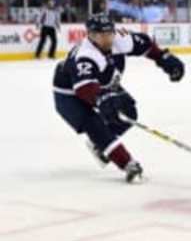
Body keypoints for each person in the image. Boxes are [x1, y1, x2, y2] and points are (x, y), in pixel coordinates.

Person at [53, 13, 184, 183]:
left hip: (101, 82)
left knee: (128, 111)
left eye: (110, 33)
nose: (107, 39)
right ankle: (127, 163)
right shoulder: (86, 55)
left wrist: (163, 58)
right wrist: (102, 99)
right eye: (101, 35)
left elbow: (145, 44)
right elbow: (84, 88)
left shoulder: (120, 40)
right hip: (68, 94)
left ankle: (100, 145)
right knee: (94, 125)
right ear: (91, 36)